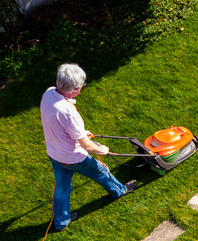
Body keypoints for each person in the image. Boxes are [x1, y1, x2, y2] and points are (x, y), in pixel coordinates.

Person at [40, 63, 136, 231]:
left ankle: (61, 222)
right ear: (76, 89)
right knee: (102, 171)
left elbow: (63, 127)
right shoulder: (68, 112)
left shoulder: (48, 93)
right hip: (72, 157)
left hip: (54, 153)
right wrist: (102, 150)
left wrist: (81, 132)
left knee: (62, 186)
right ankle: (119, 191)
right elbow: (86, 145)